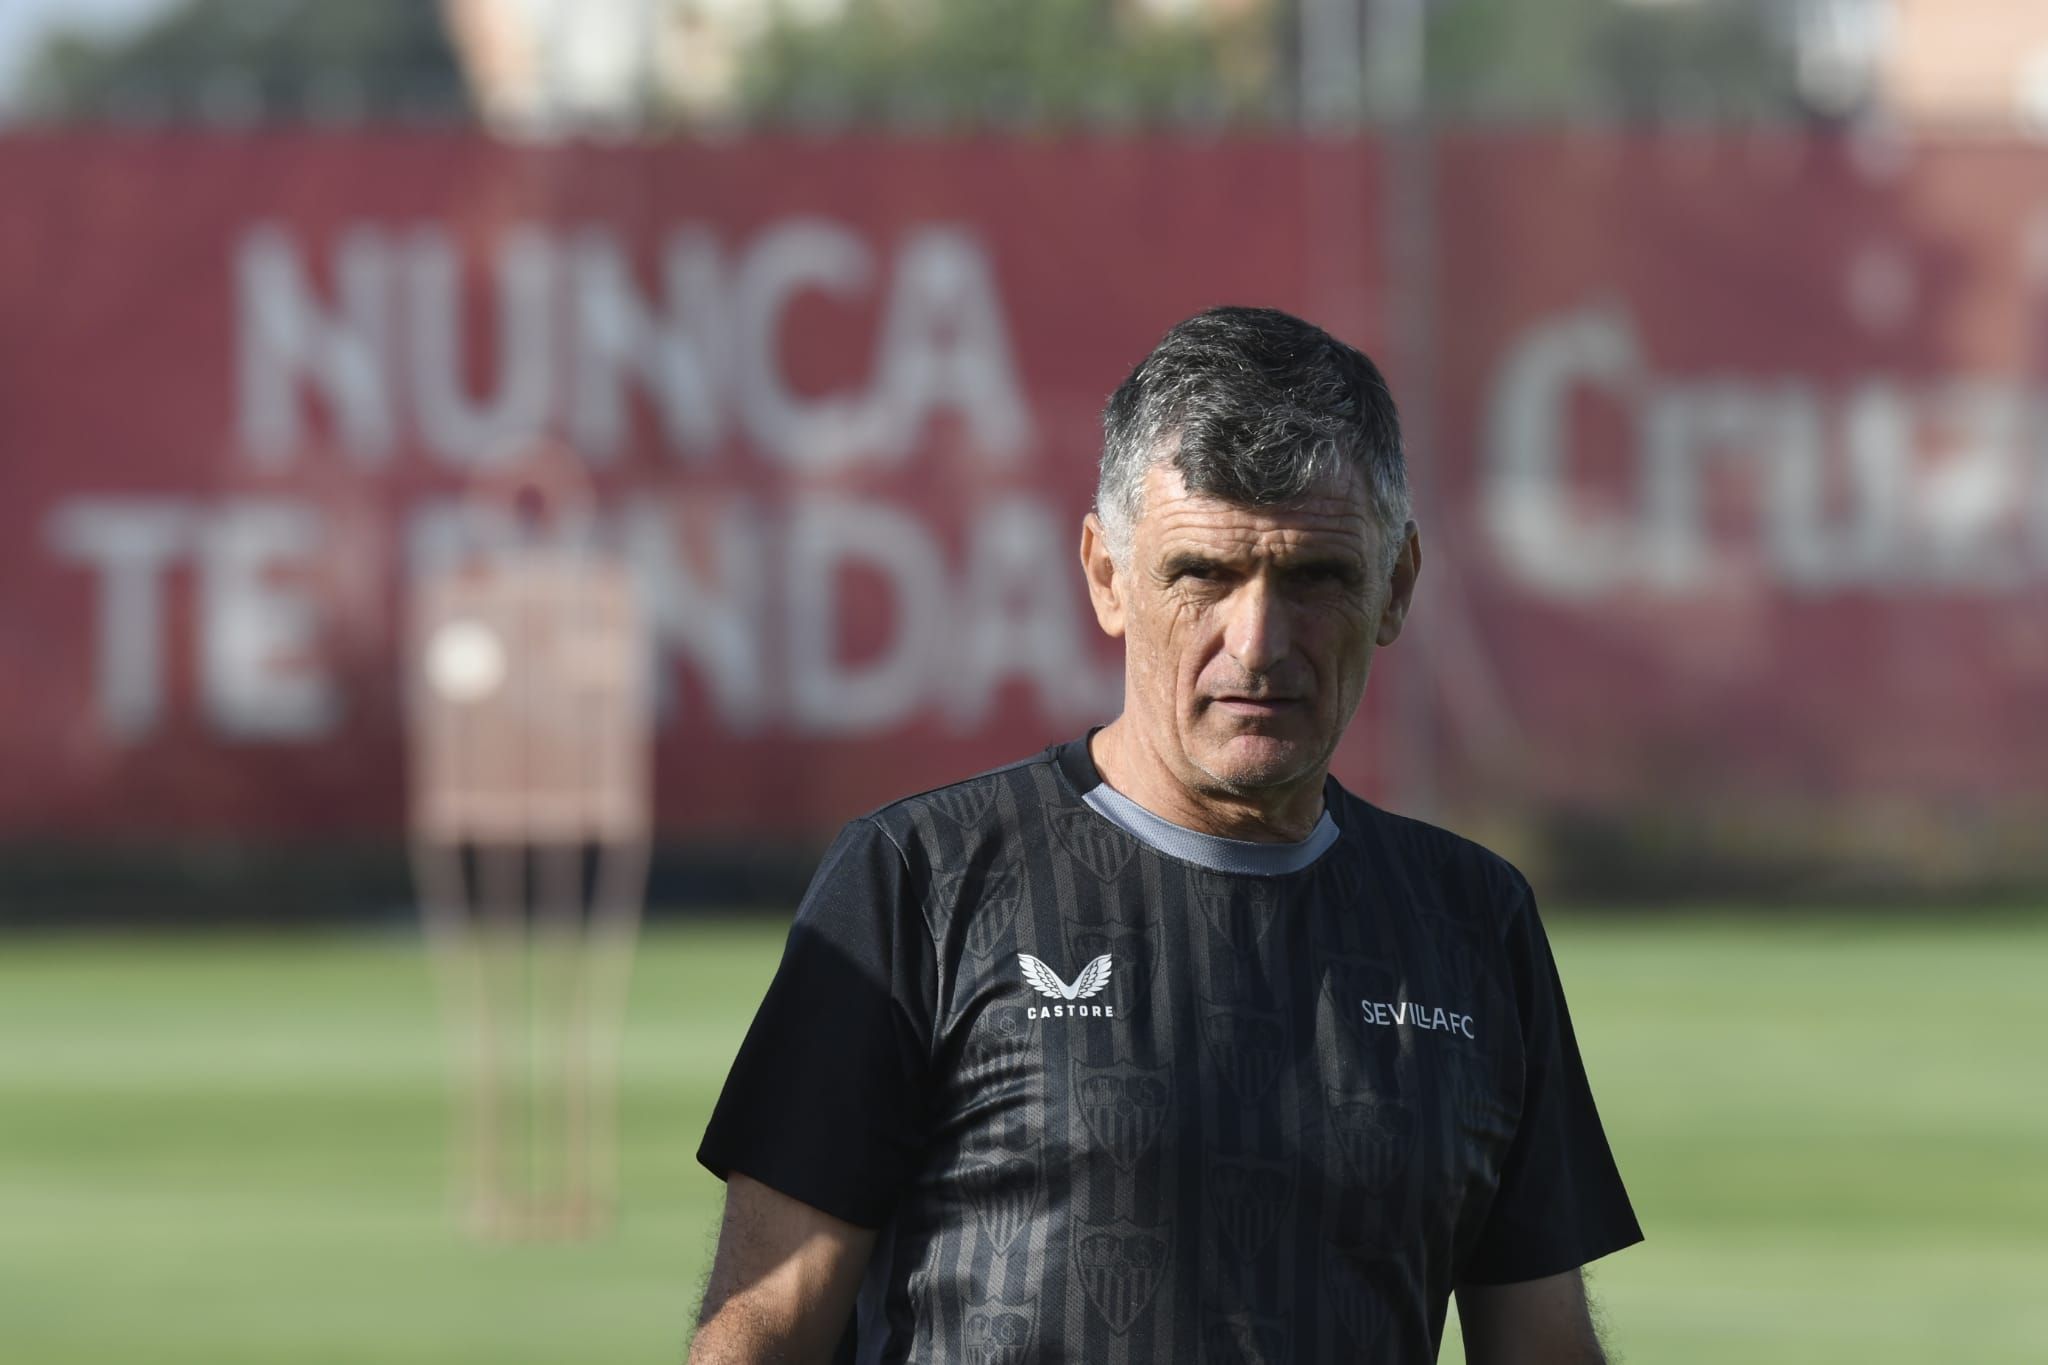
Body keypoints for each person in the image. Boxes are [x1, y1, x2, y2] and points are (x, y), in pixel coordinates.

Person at [690, 306, 1641, 1364]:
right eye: (1202, 575)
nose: (1258, 642)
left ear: (1396, 587)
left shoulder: (1473, 921)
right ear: (1107, 576)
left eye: (1316, 577)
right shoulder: (918, 883)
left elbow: (1544, 1348)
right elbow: (764, 1331)